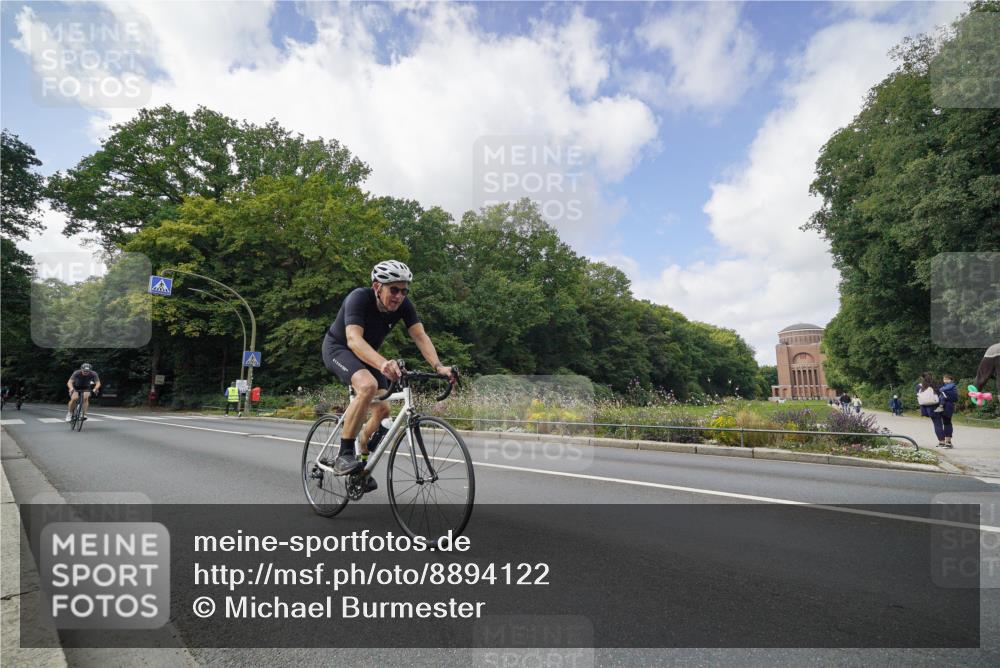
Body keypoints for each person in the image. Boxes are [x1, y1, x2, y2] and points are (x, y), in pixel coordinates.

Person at [321, 260, 455, 491]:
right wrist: (383, 363)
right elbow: (353, 339)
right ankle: (344, 453)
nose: (399, 296)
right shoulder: (359, 298)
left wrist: (438, 366)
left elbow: (420, 336)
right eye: (394, 289)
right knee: (367, 386)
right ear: (377, 287)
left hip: (368, 355)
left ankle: (361, 457)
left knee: (383, 410)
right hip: (339, 349)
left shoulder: (404, 306)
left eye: (404, 290)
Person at [918, 372, 957, 448]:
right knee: (947, 423)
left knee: (937, 424)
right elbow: (953, 397)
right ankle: (948, 442)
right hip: (946, 406)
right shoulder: (939, 385)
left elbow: (920, 399)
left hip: (931, 408)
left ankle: (941, 442)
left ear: (922, 378)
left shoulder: (919, 387)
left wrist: (924, 411)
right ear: (932, 377)